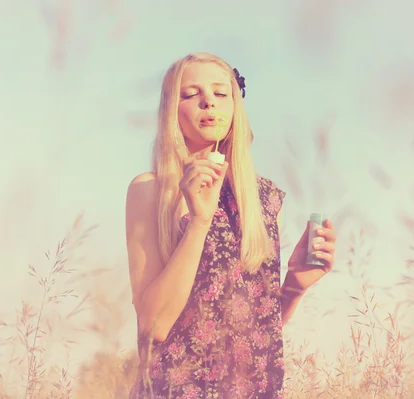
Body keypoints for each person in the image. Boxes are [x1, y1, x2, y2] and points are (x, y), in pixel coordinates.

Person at [125, 52, 337, 399]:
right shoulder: (152, 189)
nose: (208, 101)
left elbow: (252, 333)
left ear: (236, 106)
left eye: (221, 93)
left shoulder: (264, 199)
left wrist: (294, 285)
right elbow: (153, 326)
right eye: (190, 94)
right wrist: (199, 222)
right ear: (170, 111)